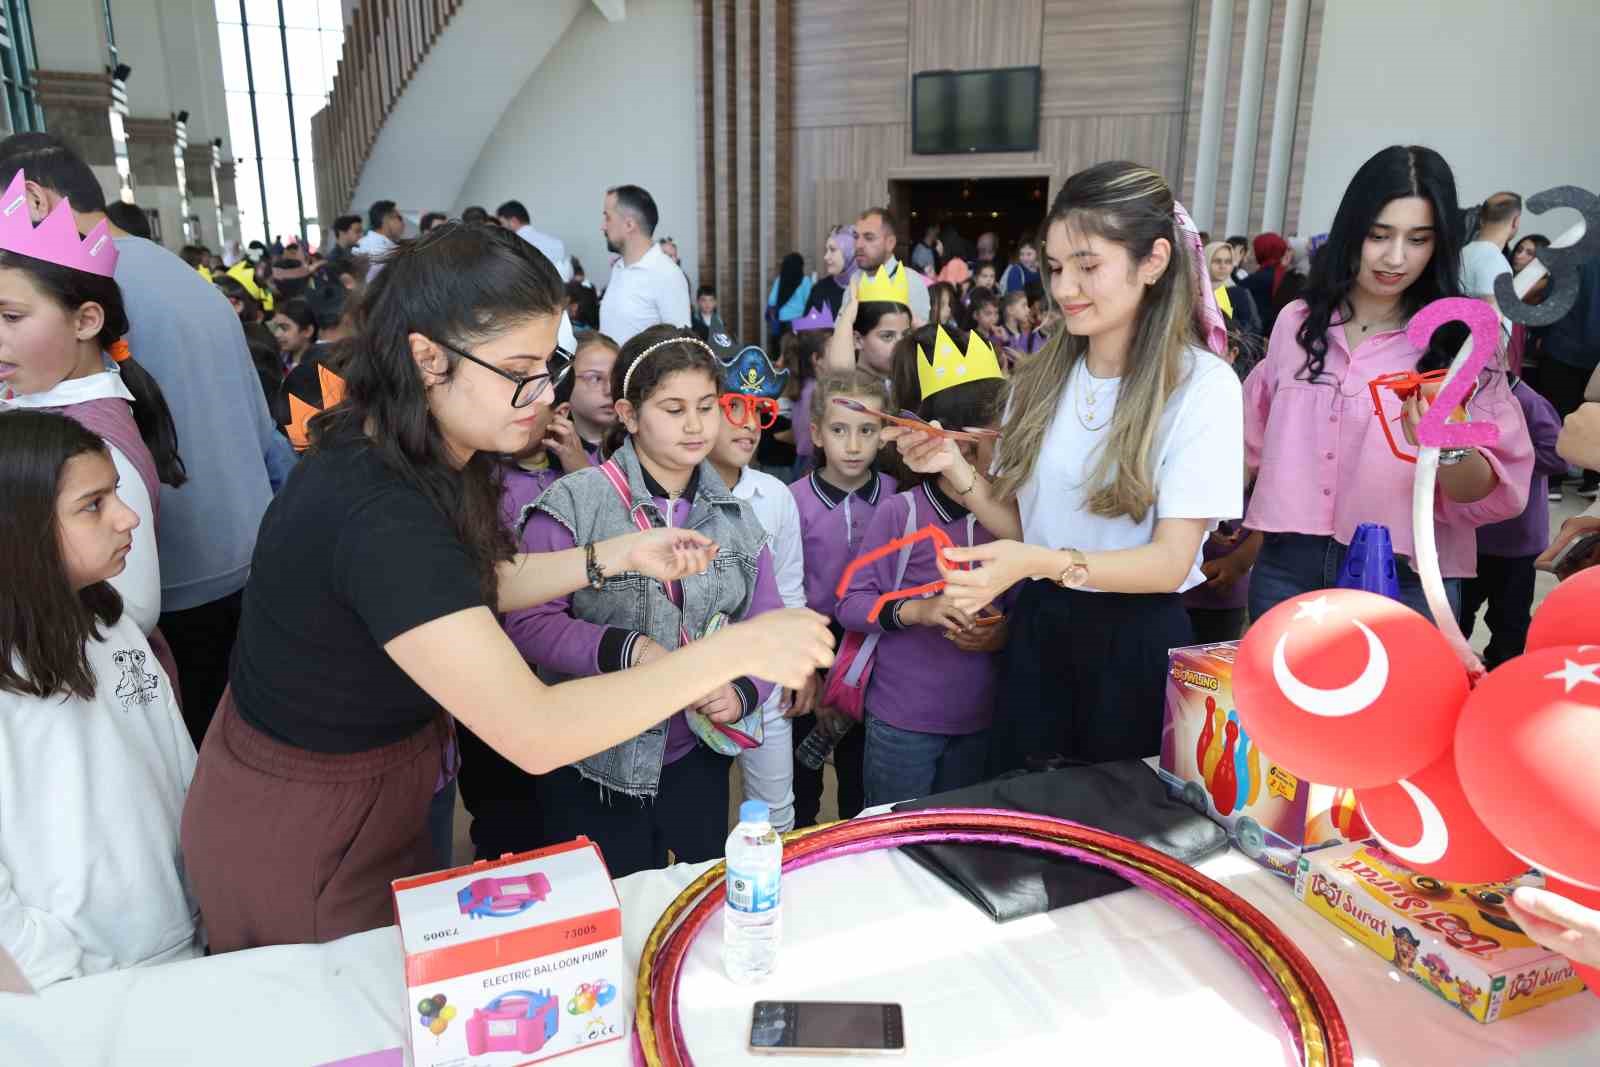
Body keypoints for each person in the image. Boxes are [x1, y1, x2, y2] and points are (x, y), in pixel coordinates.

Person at [178, 225, 832, 951]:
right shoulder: (379, 509)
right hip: (308, 828)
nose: (544, 393)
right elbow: (536, 731)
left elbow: (463, 584)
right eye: (520, 370)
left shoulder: (423, 451)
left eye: (549, 364)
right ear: (428, 357)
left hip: (378, 787)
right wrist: (731, 652)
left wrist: (615, 555)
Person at [889, 161, 1242, 774]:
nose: (1065, 288)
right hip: (1040, 630)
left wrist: (1039, 563)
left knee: (1113, 819)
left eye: (1088, 266)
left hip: (1132, 642)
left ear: (1153, 261)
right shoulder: (1041, 379)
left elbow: (1169, 562)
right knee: (1023, 807)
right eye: (1055, 268)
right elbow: (1030, 528)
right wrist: (955, 469)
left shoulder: (1200, 386)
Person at [0, 134, 294, 746]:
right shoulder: (180, 275)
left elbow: (128, 602)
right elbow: (266, 435)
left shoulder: (90, 289)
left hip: (170, 588)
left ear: (33, 199)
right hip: (243, 560)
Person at [512, 327, 793, 877]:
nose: (695, 425)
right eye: (673, 409)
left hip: (696, 756)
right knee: (606, 902)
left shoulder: (736, 518)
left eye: (707, 407)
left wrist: (743, 691)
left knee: (688, 895)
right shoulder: (575, 502)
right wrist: (630, 649)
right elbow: (529, 622)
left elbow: (767, 623)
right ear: (629, 414)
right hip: (592, 757)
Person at [1243, 145, 1533, 624]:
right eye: (1378, 235)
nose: (1395, 258)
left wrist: (1448, 446)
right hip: (1287, 567)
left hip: (1405, 575)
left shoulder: (1463, 342)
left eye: (1418, 240)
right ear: (1350, 230)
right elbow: (1249, 435)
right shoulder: (1297, 322)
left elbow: (1486, 490)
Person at [0, 411, 200, 991]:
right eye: (94, 505)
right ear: (20, 528)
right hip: (75, 983)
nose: (128, 516)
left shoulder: (113, 626)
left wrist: (207, 893)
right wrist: (52, 968)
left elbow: (182, 771)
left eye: (116, 492)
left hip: (180, 940)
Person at [0, 176, 188, 683]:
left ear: (85, 321)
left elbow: (133, 607)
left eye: (11, 316)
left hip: (78, 682)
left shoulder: (90, 444)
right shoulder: (36, 404)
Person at [838, 327, 1008, 807]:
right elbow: (851, 602)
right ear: (962, 447)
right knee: (895, 835)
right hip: (902, 722)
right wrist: (921, 611)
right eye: (1002, 437)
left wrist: (1002, 633)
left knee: (960, 836)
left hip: (981, 721)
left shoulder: (1011, 520)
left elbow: (1024, 604)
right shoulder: (902, 513)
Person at [707, 346, 809, 832]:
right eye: (735, 407)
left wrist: (798, 665)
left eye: (761, 412)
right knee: (697, 816)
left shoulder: (775, 496)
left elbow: (789, 587)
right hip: (693, 674)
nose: (749, 424)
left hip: (765, 673)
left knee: (774, 813)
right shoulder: (675, 495)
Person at [789, 368, 897, 823]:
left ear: (884, 434)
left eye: (866, 431)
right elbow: (786, 585)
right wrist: (805, 667)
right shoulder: (793, 500)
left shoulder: (897, 496)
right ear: (816, 433)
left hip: (878, 643)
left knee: (861, 770)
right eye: (839, 430)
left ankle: (856, 845)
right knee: (801, 772)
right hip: (811, 641)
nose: (853, 445)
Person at [1460, 369, 1564, 666]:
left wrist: (1506, 459)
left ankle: (1504, 677)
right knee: (1457, 616)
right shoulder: (1460, 395)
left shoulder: (1527, 401)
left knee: (1510, 623)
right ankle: (1454, 672)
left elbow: (1558, 455)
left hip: (1517, 543)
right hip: (1469, 539)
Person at [1538, 257, 1600, 500]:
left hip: (1563, 347)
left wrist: (1539, 334)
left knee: (1556, 413)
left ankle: (1554, 480)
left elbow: (1550, 304)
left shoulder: (1571, 259)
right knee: (1596, 412)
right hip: (1596, 358)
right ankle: (1592, 478)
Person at [599, 184, 691, 345]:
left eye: (608, 218)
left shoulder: (667, 274)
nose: (603, 227)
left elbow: (680, 346)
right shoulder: (619, 268)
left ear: (629, 225)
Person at [824, 263, 914, 381]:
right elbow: (840, 375)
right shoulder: (853, 389)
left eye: (905, 335)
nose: (900, 346)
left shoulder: (903, 385)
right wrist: (847, 319)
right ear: (857, 340)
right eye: (887, 336)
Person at [545, 330, 618, 473]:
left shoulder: (636, 445)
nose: (609, 389)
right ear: (565, 380)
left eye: (616, 377)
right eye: (595, 378)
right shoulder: (549, 448)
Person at [1461, 191, 1520, 348]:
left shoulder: (1462, 253)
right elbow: (1493, 324)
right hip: (1481, 358)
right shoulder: (1495, 263)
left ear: (1481, 219)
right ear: (1516, 221)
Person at [853, 206, 930, 323]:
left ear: (890, 243)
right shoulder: (855, 279)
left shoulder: (910, 281)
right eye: (856, 237)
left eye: (869, 238)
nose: (858, 245)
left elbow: (918, 332)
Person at [1507, 233, 1551, 386]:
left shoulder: (1543, 286)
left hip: (1528, 364)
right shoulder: (1510, 280)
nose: (1519, 256)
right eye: (1519, 250)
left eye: (1529, 253)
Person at [497, 198, 572, 283]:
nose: (500, 227)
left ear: (513, 221)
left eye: (502, 223)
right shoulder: (557, 243)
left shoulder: (512, 246)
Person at [805, 225, 858, 317]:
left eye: (832, 250)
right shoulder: (820, 289)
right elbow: (807, 324)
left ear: (850, 253)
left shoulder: (870, 288)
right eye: (826, 250)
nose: (826, 257)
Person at [767, 252, 813, 348]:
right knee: (796, 352)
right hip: (799, 324)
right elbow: (809, 303)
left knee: (782, 350)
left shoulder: (780, 280)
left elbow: (772, 301)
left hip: (782, 323)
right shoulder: (805, 281)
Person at [354, 199, 404, 280]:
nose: (402, 224)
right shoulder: (377, 248)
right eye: (399, 218)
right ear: (386, 220)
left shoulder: (373, 241)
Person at [268, 297, 318, 375]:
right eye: (276, 328)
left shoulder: (319, 367)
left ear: (308, 331)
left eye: (285, 328)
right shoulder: (276, 361)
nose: (277, 334)